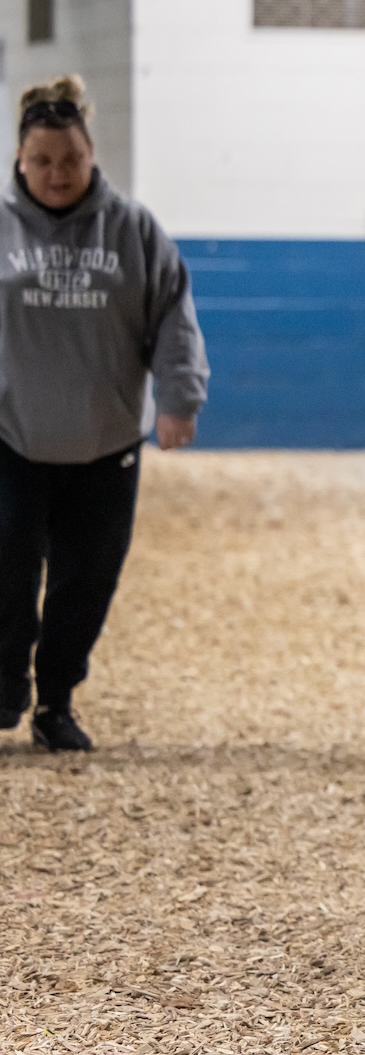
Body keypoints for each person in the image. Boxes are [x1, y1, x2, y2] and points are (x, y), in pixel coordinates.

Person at [0, 75, 208, 752]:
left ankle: (56, 700)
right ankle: (4, 688)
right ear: (19, 161)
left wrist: (180, 399)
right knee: (5, 573)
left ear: (92, 155)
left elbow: (173, 316)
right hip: (11, 439)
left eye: (71, 160)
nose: (57, 174)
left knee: (85, 584)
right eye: (43, 161)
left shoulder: (133, 229)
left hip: (106, 443)